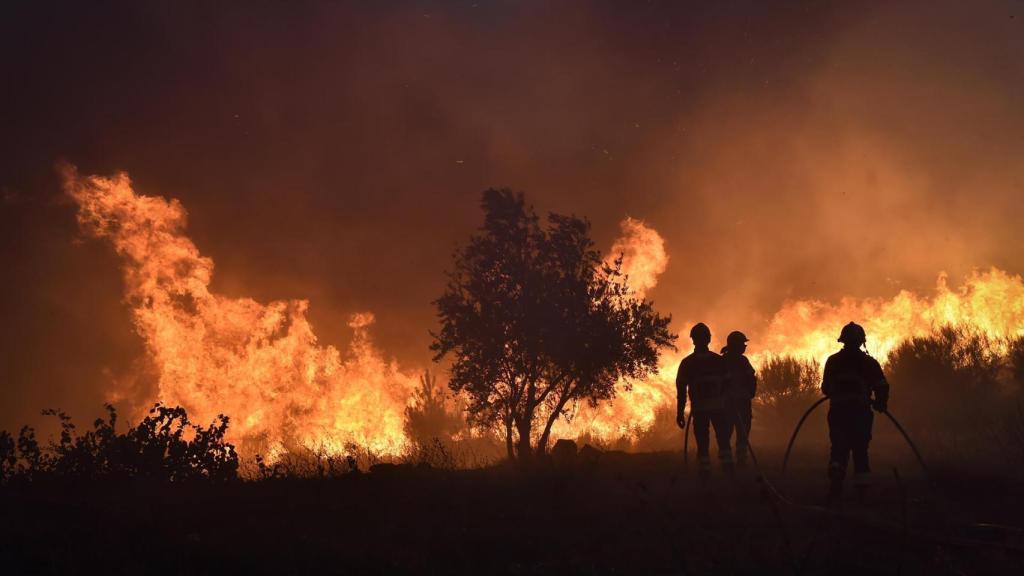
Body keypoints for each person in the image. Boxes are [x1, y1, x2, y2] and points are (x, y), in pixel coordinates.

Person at [821, 322, 890, 502]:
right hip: (860, 414)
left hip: (838, 414)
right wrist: (880, 403)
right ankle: (862, 494)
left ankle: (835, 490)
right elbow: (881, 386)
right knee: (860, 451)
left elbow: (825, 388)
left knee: (838, 449)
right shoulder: (868, 362)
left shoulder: (833, 361)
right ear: (861, 342)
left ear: (843, 341)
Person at [677, 323, 734, 481]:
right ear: (709, 338)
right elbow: (728, 385)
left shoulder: (687, 363)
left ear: (693, 340)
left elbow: (681, 391)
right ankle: (727, 470)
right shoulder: (718, 361)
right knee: (723, 439)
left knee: (704, 441)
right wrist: (729, 404)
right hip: (717, 408)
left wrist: (680, 412)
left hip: (701, 409)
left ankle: (706, 472)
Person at [721, 331, 757, 467]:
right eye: (742, 344)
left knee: (742, 433)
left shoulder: (740, 360)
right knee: (728, 433)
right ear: (735, 345)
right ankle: (729, 461)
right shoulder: (731, 361)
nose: (744, 346)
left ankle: (739, 460)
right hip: (730, 404)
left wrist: (750, 393)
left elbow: (751, 378)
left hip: (740, 403)